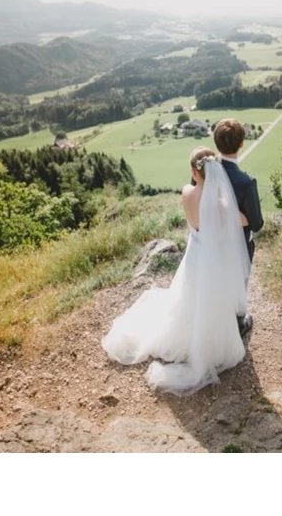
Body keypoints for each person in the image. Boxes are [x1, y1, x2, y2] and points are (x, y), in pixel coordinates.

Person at [101, 147, 251, 396]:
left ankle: (184, 335)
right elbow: (244, 221)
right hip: (212, 259)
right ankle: (209, 342)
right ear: (215, 171)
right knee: (211, 297)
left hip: (194, 253)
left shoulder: (187, 192)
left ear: (194, 171)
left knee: (188, 293)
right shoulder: (220, 203)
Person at [213, 118, 265, 336]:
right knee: (237, 282)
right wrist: (239, 216)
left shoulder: (206, 172)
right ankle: (237, 322)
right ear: (242, 143)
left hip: (211, 241)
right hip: (238, 247)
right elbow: (257, 223)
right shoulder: (246, 182)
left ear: (216, 143)